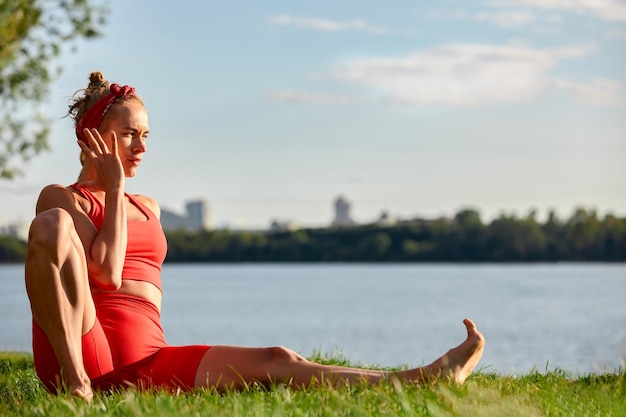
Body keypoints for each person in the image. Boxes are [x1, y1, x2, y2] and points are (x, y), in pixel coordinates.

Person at [24, 71, 485, 401]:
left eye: (146, 135)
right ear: (92, 138)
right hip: (84, 356)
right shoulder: (65, 198)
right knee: (50, 227)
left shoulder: (149, 207)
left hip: (145, 358)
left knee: (276, 358)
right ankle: (78, 388)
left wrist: (123, 193)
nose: (142, 147)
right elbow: (104, 273)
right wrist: (114, 186)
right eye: (129, 135)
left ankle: (424, 377)